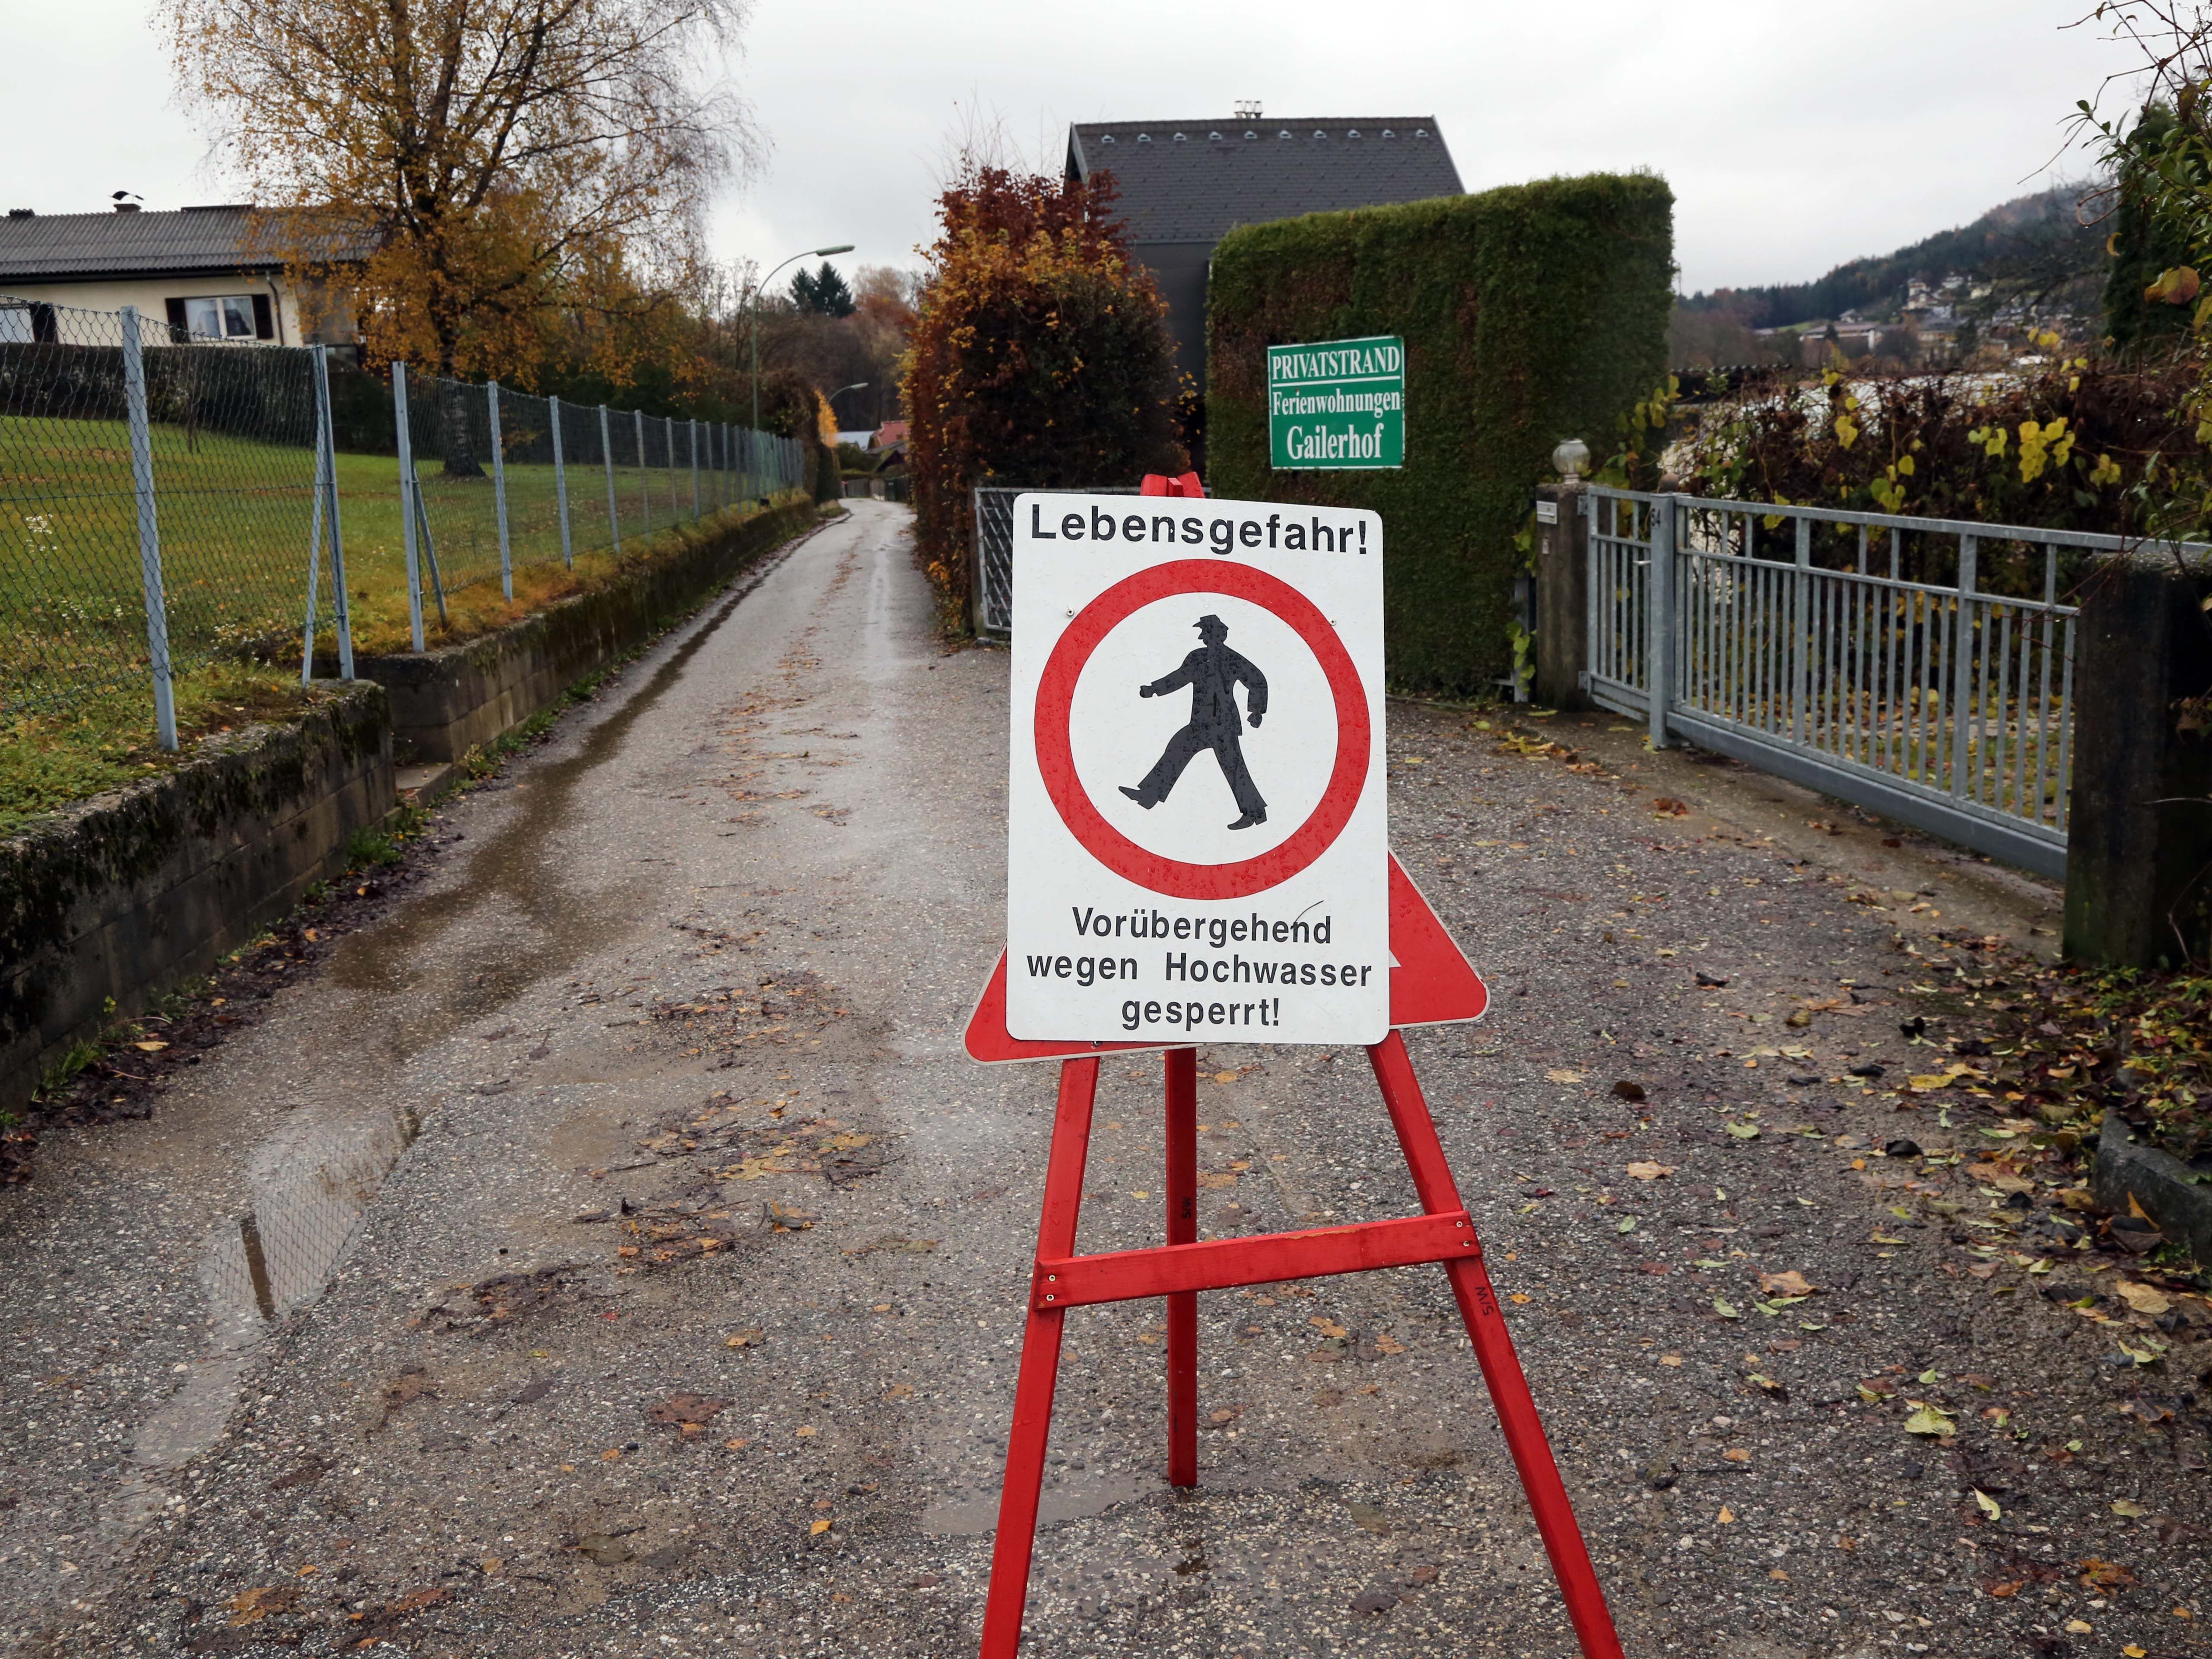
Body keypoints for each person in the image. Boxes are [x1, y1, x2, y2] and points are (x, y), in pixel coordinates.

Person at [1119, 614, 1269, 830]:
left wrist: (1256, 711)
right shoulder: (1197, 658)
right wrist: (1154, 689)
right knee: (1177, 749)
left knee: (1234, 768)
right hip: (1201, 723)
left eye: (1207, 632)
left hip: (1224, 725)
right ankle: (1148, 796)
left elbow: (1257, 681)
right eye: (1203, 633)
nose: (1203, 637)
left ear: (1218, 634)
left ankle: (1255, 813)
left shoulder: (1232, 659)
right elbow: (1179, 677)